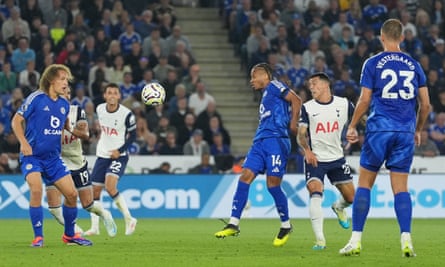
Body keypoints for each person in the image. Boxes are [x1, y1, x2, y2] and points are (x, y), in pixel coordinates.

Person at [339, 19, 430, 257]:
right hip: (405, 132)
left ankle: (356, 240)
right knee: (401, 188)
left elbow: (365, 99)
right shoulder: (414, 65)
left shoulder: (373, 63)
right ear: (402, 37)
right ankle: (406, 240)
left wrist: (352, 124)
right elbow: (427, 105)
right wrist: (418, 129)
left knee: (365, 184)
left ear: (381, 37)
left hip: (379, 130)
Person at [214, 63, 301, 247]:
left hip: (276, 140)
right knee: (244, 177)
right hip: (260, 142)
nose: (251, 80)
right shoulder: (265, 95)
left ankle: (286, 225)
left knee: (272, 185)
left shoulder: (275, 86)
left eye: (254, 76)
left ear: (264, 75)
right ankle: (233, 224)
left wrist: (294, 124)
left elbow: (296, 100)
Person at [11, 64, 92, 247]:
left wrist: (73, 131)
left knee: (71, 194)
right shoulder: (36, 98)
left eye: (67, 80)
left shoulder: (64, 104)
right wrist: (23, 142)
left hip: (53, 158)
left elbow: (63, 125)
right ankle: (38, 237)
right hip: (33, 156)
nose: (65, 83)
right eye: (62, 79)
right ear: (51, 80)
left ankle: (69, 235)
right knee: (37, 190)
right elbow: (16, 120)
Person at [45, 86, 117, 237]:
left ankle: (105, 214)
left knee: (88, 205)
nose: (67, 95)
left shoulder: (77, 111)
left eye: (69, 92)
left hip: (76, 161)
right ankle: (75, 230)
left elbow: (85, 135)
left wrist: (69, 127)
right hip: (55, 161)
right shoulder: (46, 112)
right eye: (63, 91)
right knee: (53, 207)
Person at [297, 72, 356, 250]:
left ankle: (338, 207)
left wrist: (354, 130)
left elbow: (361, 120)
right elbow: (300, 134)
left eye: (314, 83)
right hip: (315, 159)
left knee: (351, 197)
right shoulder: (307, 107)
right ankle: (320, 240)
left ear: (325, 85)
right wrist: (307, 150)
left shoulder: (344, 104)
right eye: (309, 85)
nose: (311, 87)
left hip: (337, 158)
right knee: (315, 192)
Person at [84, 83, 138, 236]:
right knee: (94, 192)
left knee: (110, 185)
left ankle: (129, 219)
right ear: (105, 96)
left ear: (119, 96)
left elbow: (133, 136)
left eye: (115, 92)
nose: (112, 95)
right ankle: (95, 227)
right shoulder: (100, 109)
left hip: (119, 156)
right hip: (102, 155)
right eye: (109, 92)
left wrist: (119, 150)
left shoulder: (127, 114)